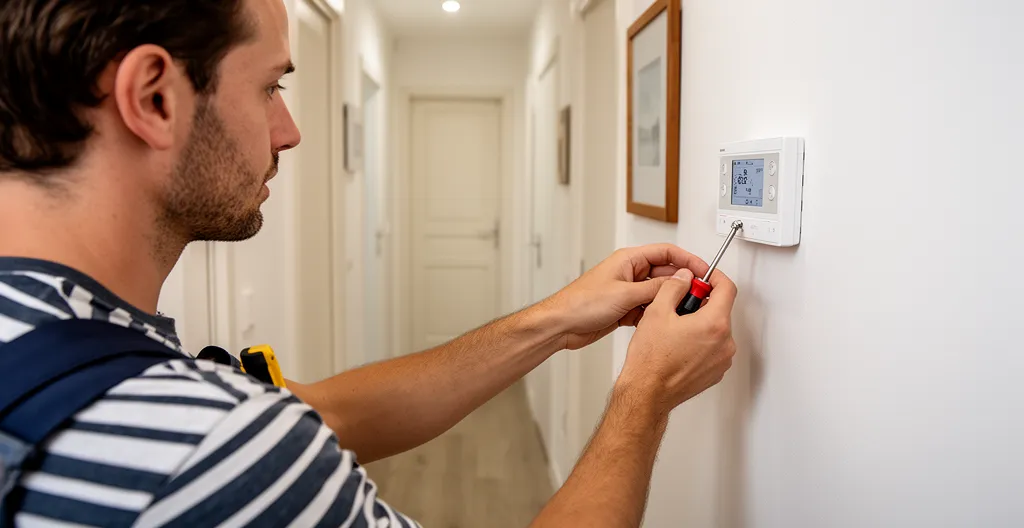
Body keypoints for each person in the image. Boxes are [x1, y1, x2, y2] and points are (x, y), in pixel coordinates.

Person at [0, 0, 737, 526]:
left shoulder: (58, 342)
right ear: (154, 96)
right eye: (269, 87)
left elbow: (321, 411)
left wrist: (551, 320)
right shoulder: (206, 453)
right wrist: (645, 394)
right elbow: (268, 432)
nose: (288, 132)